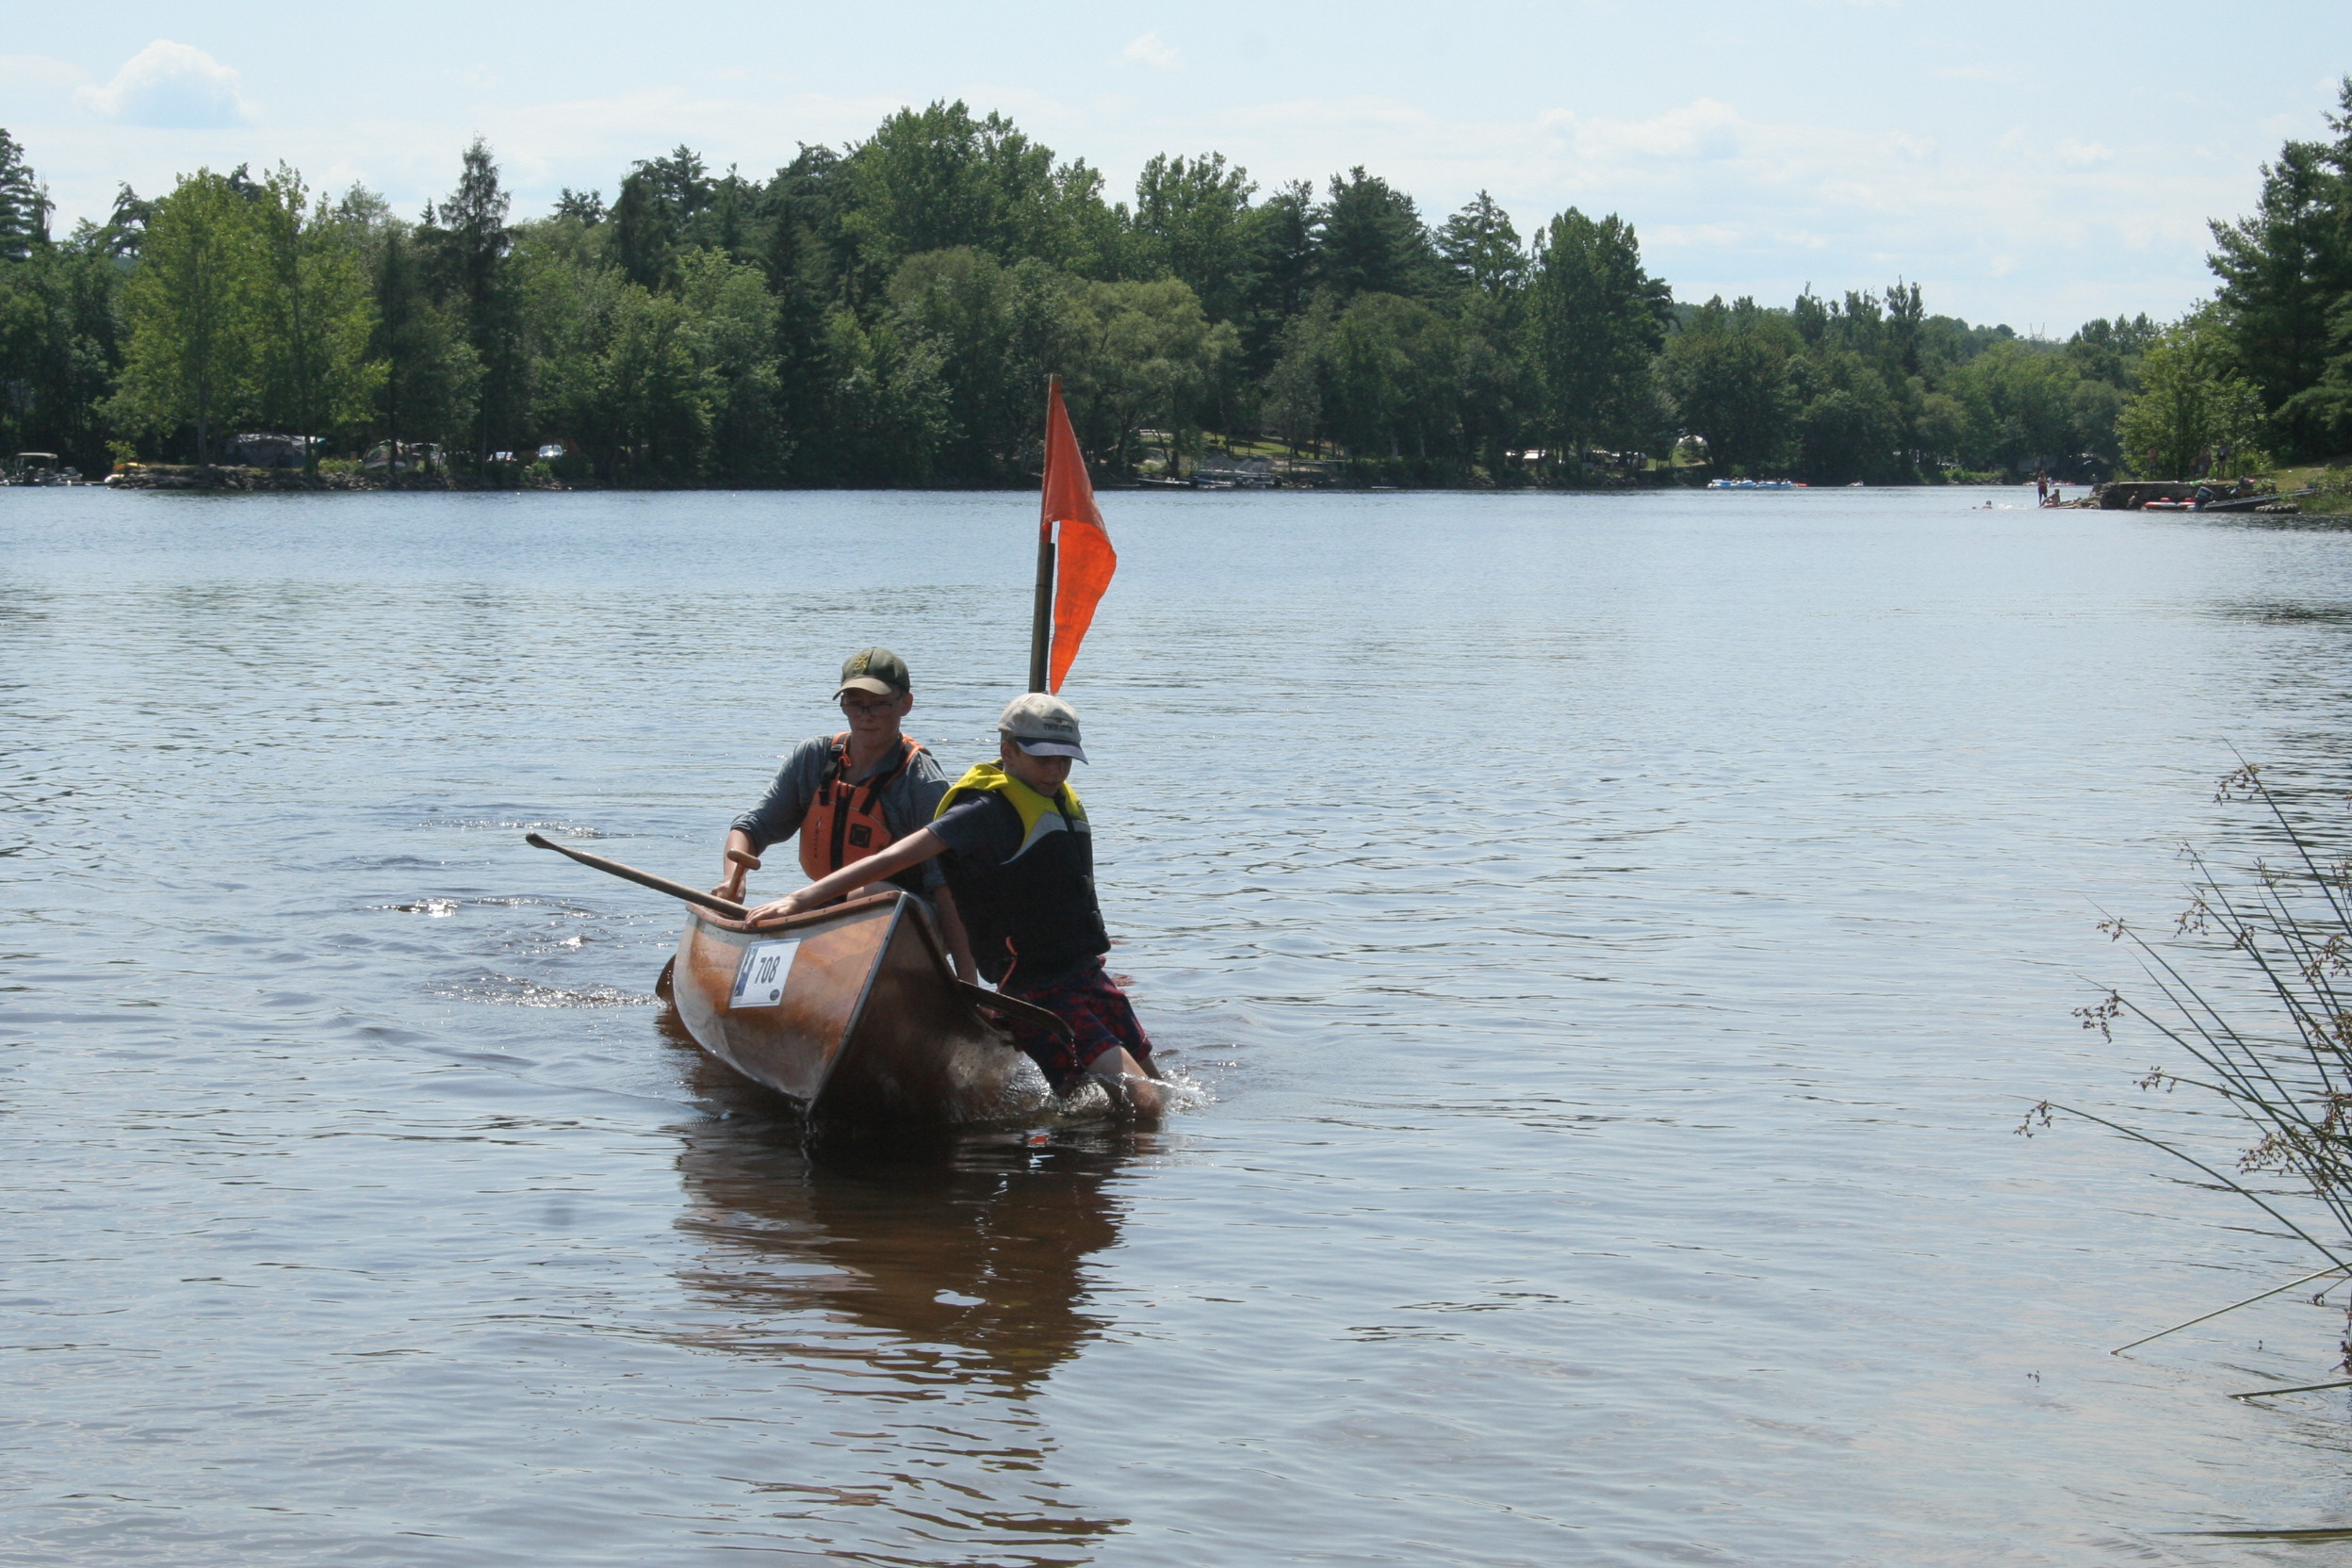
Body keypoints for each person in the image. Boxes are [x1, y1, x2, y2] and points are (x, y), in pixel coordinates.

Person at [745, 693, 1161, 1117]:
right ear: (1007, 752)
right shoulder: (982, 811)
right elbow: (892, 858)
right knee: (1144, 1106)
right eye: (1043, 759)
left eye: (1064, 760)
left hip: (1085, 974)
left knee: (1158, 1090)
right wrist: (800, 899)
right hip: (1038, 991)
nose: (1055, 770)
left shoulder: (1055, 799)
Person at [717, 647, 974, 976]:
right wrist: (731, 881)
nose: (866, 714)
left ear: (905, 705)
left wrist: (969, 981)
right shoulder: (814, 757)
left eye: (879, 703)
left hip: (912, 921)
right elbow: (751, 827)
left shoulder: (922, 782)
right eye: (854, 702)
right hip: (829, 910)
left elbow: (947, 887)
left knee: (871, 895)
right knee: (760, 920)